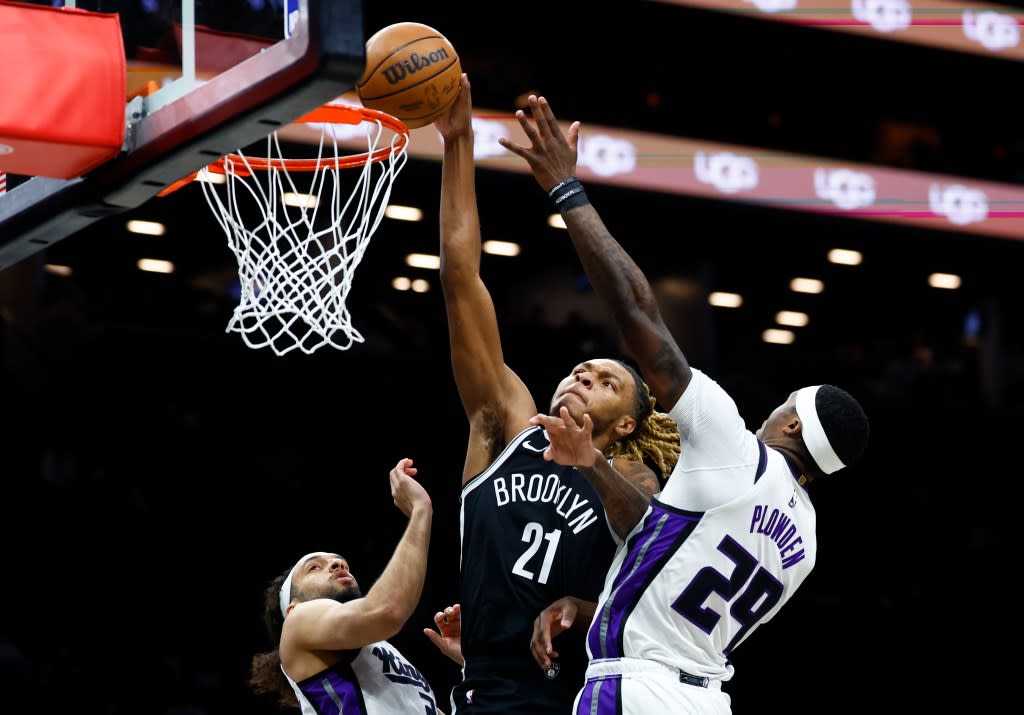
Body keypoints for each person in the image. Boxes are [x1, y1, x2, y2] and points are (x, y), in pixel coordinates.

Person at [499, 95, 871, 714]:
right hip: (702, 699)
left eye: (780, 406)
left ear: (795, 421)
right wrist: (600, 606)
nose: (767, 413)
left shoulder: (736, 448)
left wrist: (566, 189)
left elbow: (639, 312)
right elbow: (671, 572)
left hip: (635, 690)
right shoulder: (802, 542)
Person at [429, 73, 683, 715]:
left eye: (606, 382)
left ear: (625, 425)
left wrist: (581, 606)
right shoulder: (502, 427)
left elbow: (657, 593)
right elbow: (462, 279)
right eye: (581, 370)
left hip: (582, 700)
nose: (581, 378)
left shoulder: (635, 480)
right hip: (483, 695)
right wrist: (458, 144)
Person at [249, 457, 444, 715]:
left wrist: (468, 664)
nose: (338, 565)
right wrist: (420, 509)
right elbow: (387, 610)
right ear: (291, 607)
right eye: (314, 568)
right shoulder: (297, 624)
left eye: (340, 563)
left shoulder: (379, 650)